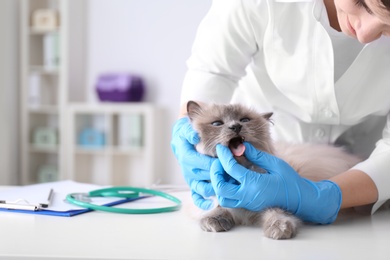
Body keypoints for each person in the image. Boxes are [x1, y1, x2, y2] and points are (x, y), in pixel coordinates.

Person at [171, 0, 390, 224]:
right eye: (362, 3)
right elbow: (213, 70)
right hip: (266, 148)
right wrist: (189, 135)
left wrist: (327, 196)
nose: (366, 34)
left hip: (368, 178)